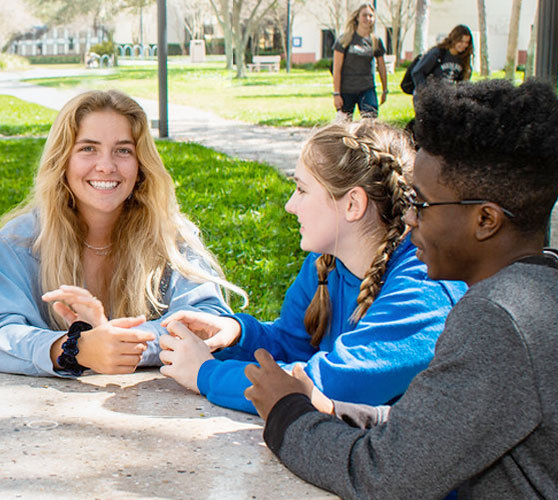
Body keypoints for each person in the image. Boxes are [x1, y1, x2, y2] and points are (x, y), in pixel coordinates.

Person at [243, 80, 558, 499]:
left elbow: (383, 477)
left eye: (421, 204)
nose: (410, 220)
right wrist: (335, 411)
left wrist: (286, 414)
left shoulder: (499, 318)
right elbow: (439, 426)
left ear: (486, 220)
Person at [156, 120, 467, 415]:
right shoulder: (326, 262)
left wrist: (206, 373)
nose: (290, 205)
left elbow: (334, 386)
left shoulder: (426, 283)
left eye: (302, 190)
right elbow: (293, 345)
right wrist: (238, 334)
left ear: (352, 205)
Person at [0, 89, 246, 377]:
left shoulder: (171, 236)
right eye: (88, 148)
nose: (106, 166)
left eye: (123, 150)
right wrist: (75, 348)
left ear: (140, 165)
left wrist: (121, 343)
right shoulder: (20, 241)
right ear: (63, 160)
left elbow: (210, 322)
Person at [331, 3, 390, 119]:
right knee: (344, 125)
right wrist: (336, 94)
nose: (367, 19)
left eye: (370, 16)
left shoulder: (375, 41)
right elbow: (336, 69)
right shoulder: (344, 39)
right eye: (364, 15)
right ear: (357, 17)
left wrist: (384, 89)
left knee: (370, 122)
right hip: (346, 90)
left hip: (367, 88)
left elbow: (382, 67)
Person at [409, 25, 475, 92]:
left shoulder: (463, 58)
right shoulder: (437, 53)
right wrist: (425, 92)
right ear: (453, 39)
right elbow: (417, 72)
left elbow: (461, 82)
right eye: (460, 41)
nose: (464, 45)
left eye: (466, 42)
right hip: (429, 96)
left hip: (447, 97)